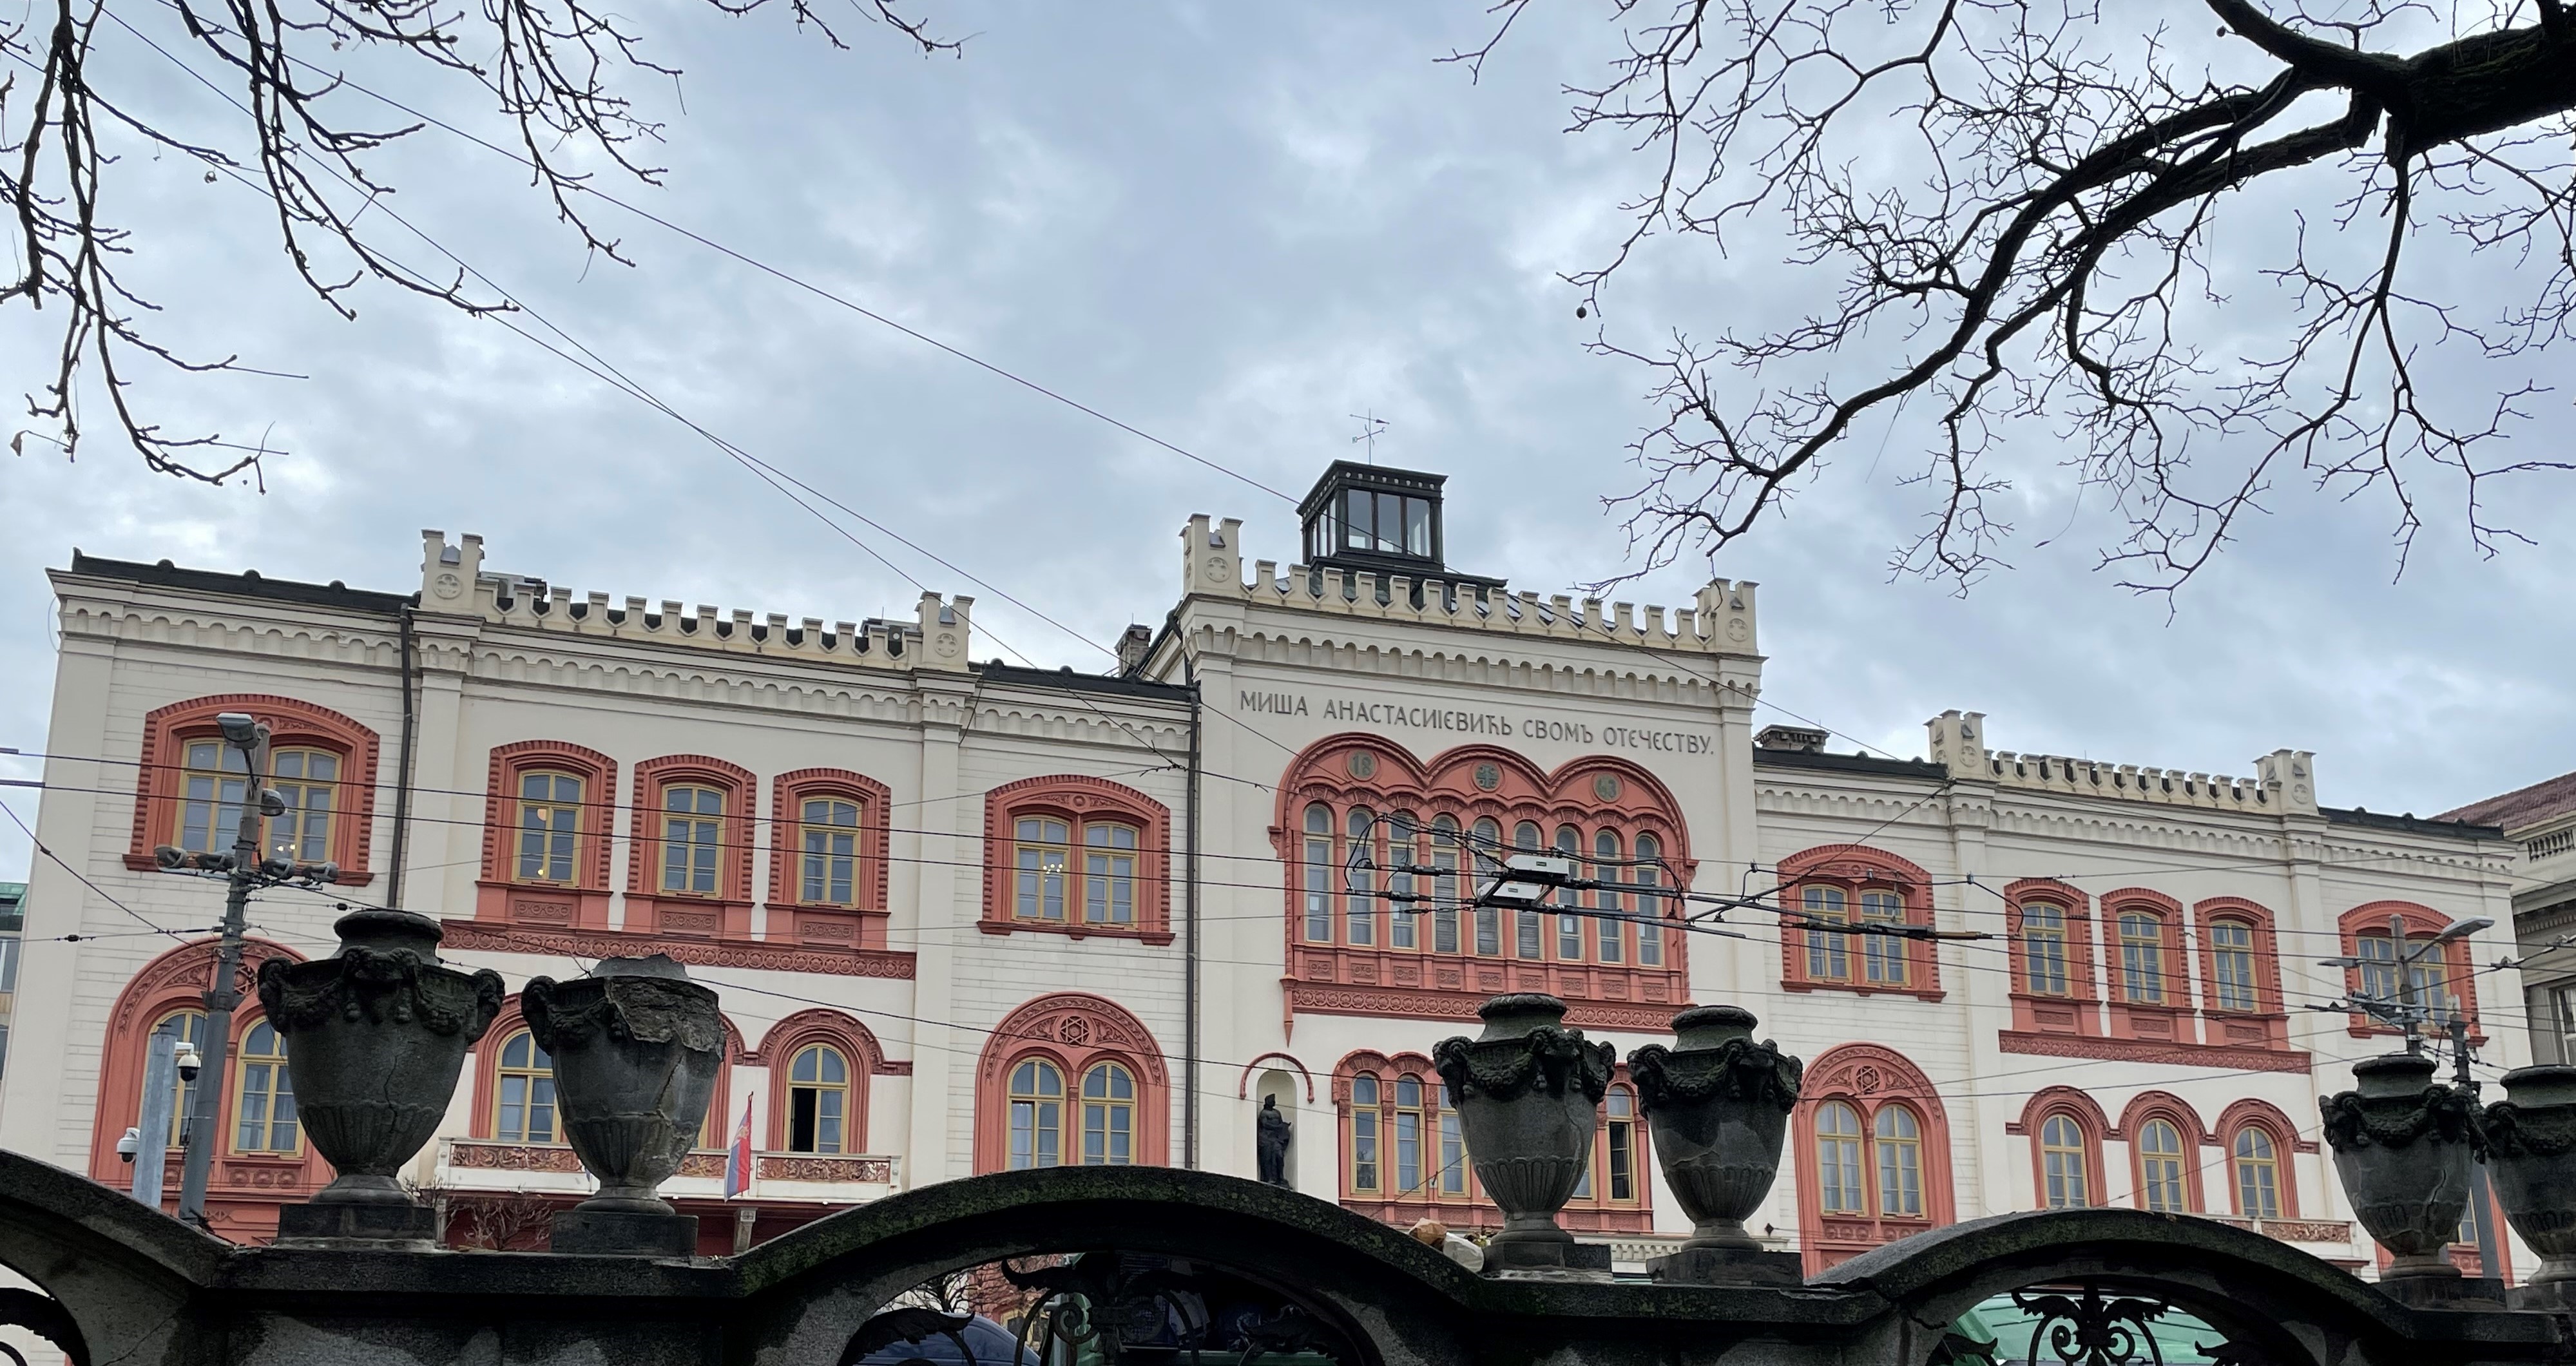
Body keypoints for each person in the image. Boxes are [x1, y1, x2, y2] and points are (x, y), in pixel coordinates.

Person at [1255, 1094, 1293, 1188]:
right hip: (1267, 1138)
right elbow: (1265, 1124)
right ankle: (1270, 1178)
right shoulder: (1264, 1113)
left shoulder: (1277, 1113)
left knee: (1279, 1155)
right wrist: (1277, 1127)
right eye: (1272, 1100)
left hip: (1276, 1139)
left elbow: (1280, 1123)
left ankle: (1280, 1177)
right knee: (1268, 1158)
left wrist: (1284, 1126)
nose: (1274, 1102)